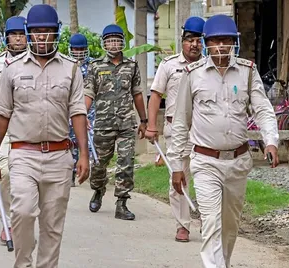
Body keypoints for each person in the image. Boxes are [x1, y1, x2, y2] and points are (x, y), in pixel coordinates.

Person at [167, 14, 279, 268]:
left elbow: (264, 109)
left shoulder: (247, 72)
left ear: (234, 43)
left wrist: (270, 141)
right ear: (205, 44)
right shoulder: (193, 74)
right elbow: (181, 123)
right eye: (215, 41)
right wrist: (178, 165)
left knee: (230, 227)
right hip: (204, 161)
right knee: (212, 225)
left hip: (238, 161)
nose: (220, 47)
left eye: (226, 41)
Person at [0, 5, 89, 268]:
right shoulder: (12, 70)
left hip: (59, 156)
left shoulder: (71, 68)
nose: (42, 36)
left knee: (53, 223)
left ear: (56, 33)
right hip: (23, 155)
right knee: (23, 212)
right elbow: (1, 116)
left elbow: (78, 113)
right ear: (28, 34)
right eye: (36, 31)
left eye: (48, 31)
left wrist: (84, 154)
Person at [145, 16, 205, 242]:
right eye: (190, 39)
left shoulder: (208, 67)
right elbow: (156, 96)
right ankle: (183, 225)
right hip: (175, 130)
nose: (194, 44)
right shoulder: (169, 66)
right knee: (178, 177)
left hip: (202, 130)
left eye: (199, 40)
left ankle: (208, 223)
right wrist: (152, 126)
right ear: (183, 41)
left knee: (204, 177)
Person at [84, 24, 147, 221]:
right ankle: (98, 189)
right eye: (109, 40)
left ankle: (122, 203)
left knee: (126, 163)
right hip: (103, 124)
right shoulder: (95, 67)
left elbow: (137, 94)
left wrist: (144, 119)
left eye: (116, 40)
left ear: (122, 42)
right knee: (100, 164)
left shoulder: (132, 66)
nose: (113, 44)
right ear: (104, 43)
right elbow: (88, 94)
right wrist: (82, 115)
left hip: (126, 124)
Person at [0, 15, 27, 245]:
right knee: (6, 173)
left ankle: (22, 221)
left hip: (30, 129)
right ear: (7, 37)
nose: (18, 39)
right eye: (14, 35)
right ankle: (8, 222)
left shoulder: (36, 60)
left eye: (22, 34)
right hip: (4, 129)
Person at [67, 33, 95, 186]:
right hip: (70, 111)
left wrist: (87, 114)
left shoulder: (93, 66)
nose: (78, 52)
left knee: (88, 143)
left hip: (90, 111)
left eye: (81, 49)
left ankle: (87, 170)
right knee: (71, 143)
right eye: (75, 49)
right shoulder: (67, 65)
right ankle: (71, 173)